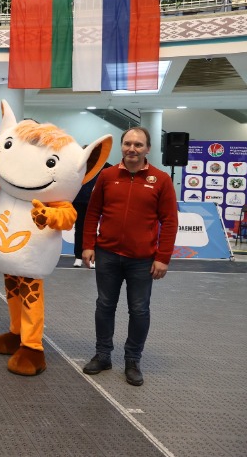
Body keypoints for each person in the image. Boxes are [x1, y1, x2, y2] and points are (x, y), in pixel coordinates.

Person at [81, 127, 178, 386]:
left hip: (142, 260)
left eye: (138, 144)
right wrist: (88, 245)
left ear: (147, 149)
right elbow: (93, 213)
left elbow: (170, 221)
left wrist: (163, 257)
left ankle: (133, 360)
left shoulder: (161, 180)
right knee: (104, 305)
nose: (132, 149)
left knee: (139, 310)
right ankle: (103, 355)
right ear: (121, 146)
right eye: (127, 143)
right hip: (107, 255)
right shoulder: (107, 176)